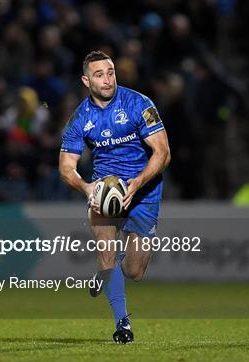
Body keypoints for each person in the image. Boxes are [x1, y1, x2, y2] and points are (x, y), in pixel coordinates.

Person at [59, 50, 170, 343]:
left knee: (134, 270)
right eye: (99, 74)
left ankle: (105, 273)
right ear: (86, 80)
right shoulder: (80, 118)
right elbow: (66, 168)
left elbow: (162, 152)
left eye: (110, 73)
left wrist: (138, 182)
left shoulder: (139, 104)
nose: (107, 80)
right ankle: (123, 324)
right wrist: (87, 188)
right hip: (104, 191)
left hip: (144, 190)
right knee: (107, 253)